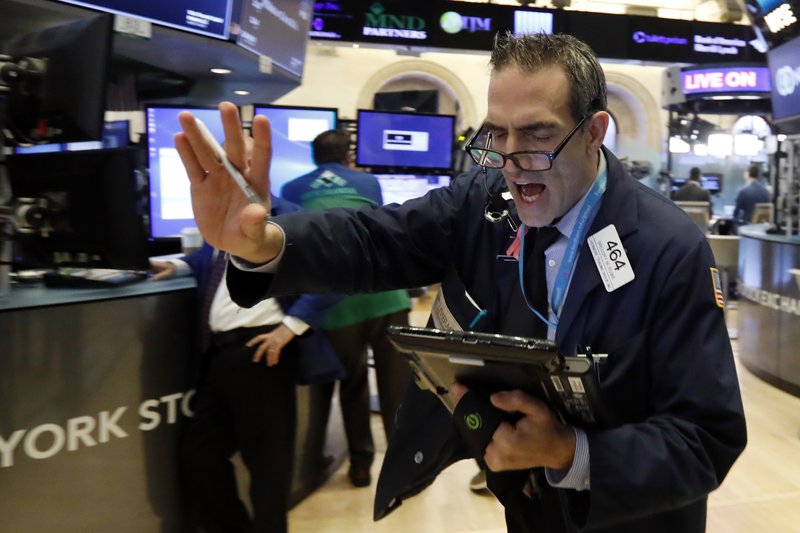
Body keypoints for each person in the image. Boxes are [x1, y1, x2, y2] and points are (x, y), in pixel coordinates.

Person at [173, 32, 746, 533]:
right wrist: (265, 244)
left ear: (596, 131)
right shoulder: (485, 199)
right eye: (498, 135)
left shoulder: (669, 250)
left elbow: (706, 437)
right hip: (524, 503)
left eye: (539, 135)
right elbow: (377, 240)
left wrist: (573, 452)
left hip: (625, 518)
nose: (514, 162)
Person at [149, 194, 342, 533]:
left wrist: (290, 327)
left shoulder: (289, 218)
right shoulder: (225, 218)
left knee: (268, 467)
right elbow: (212, 261)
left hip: (262, 350)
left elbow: (336, 273)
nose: (240, 170)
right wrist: (179, 264)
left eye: (249, 162)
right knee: (200, 455)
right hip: (219, 354)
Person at [281, 129, 413, 487]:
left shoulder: (291, 190)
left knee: (352, 386)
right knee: (395, 385)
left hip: (333, 305)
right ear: (348, 156)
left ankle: (360, 466)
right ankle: (403, 468)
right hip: (387, 295)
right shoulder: (368, 183)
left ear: (313, 157)